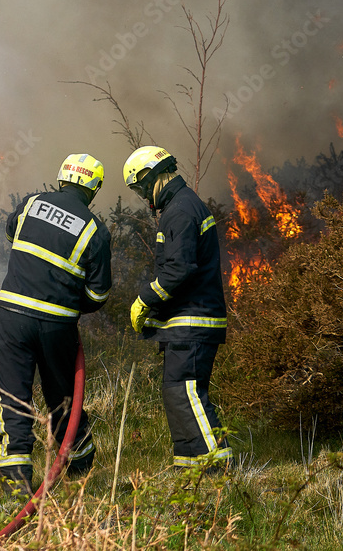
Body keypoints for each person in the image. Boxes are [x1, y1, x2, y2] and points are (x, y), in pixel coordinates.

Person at [0, 154, 112, 494]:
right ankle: (81, 466)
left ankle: (16, 480)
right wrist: (70, 300)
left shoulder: (31, 204)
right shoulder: (95, 230)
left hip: (12, 316)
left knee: (11, 390)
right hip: (58, 325)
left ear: (61, 177)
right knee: (63, 396)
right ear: (94, 188)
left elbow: (12, 231)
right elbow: (99, 295)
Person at [123, 146, 233, 470]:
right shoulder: (180, 206)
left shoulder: (181, 209)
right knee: (177, 395)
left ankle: (216, 471)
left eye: (141, 187)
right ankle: (189, 473)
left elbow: (179, 268)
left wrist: (145, 299)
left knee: (187, 394)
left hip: (193, 321)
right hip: (186, 322)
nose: (143, 196)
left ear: (154, 176)